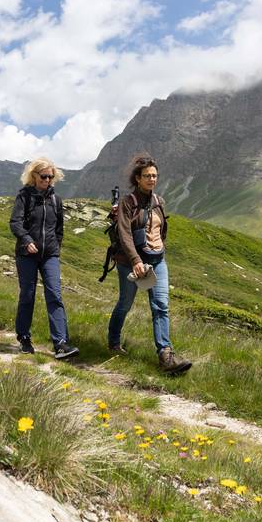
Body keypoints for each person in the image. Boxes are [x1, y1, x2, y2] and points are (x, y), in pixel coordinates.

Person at [107, 152, 191, 374]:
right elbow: (124, 234)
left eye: (154, 176)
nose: (152, 179)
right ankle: (113, 342)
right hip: (130, 262)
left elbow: (160, 230)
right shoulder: (128, 203)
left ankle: (166, 355)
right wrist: (135, 260)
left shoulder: (158, 202)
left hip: (157, 261)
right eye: (147, 176)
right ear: (138, 178)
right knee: (125, 304)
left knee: (161, 306)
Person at [9, 157, 79, 360]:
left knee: (55, 295)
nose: (47, 180)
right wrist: (26, 240)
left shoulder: (56, 200)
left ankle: (60, 343)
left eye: (50, 176)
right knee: (28, 295)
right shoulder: (24, 196)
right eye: (43, 176)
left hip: (50, 254)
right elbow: (15, 223)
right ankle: (24, 337)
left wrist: (55, 248)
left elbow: (59, 229)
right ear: (34, 176)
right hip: (26, 254)